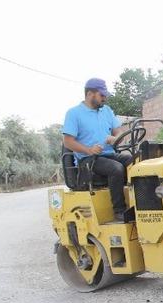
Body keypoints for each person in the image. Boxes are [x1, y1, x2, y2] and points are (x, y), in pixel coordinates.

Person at [62, 78, 131, 222]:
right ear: (89, 94)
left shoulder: (106, 111)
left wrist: (115, 138)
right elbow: (67, 141)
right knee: (116, 168)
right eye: (102, 95)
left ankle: (141, 203)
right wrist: (89, 150)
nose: (105, 98)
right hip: (87, 160)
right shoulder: (74, 113)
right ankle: (119, 211)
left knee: (135, 161)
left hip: (109, 154)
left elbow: (118, 132)